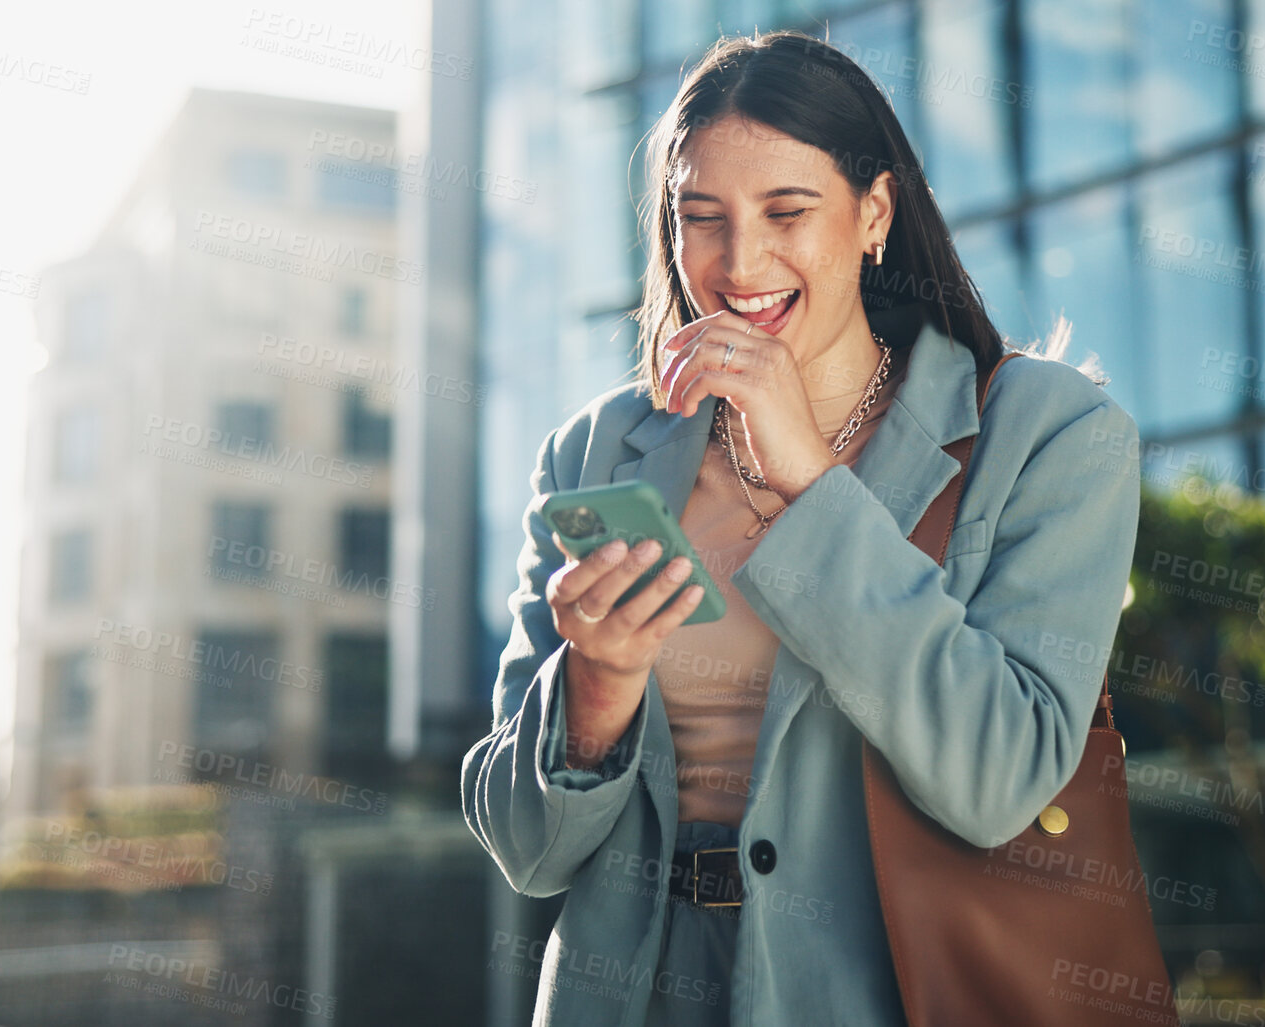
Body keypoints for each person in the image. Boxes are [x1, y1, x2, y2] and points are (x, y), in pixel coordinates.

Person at [462, 29, 1141, 1027]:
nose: (741, 263)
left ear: (875, 214)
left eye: (788, 211)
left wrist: (813, 482)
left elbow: (999, 779)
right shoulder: (594, 454)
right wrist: (597, 689)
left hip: (881, 990)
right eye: (703, 218)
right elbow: (526, 849)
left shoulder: (1048, 434)